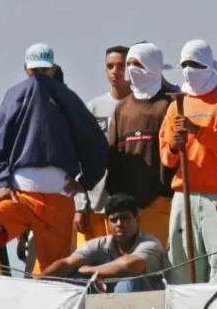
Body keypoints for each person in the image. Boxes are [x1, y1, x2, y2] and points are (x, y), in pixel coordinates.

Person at [0, 43, 108, 275]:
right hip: (18, 194)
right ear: (26, 68)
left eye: (43, 70)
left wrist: (85, 181)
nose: (39, 77)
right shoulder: (17, 95)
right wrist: (2, 181)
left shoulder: (65, 97)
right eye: (36, 71)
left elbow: (96, 143)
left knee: (52, 271)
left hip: (58, 197)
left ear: (53, 69)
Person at [159, 40, 217, 284]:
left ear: (209, 66)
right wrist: (175, 146)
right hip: (184, 194)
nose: (190, 70)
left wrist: (198, 131)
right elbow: (166, 156)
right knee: (182, 260)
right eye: (185, 64)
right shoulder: (176, 105)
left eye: (196, 64)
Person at [106, 42, 177, 246]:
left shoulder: (169, 104)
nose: (132, 69)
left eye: (138, 64)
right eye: (129, 64)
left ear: (152, 66)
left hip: (162, 202)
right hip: (128, 208)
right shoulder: (122, 108)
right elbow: (115, 156)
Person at [40, 193, 169, 292]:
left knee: (129, 282)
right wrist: (36, 282)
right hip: (111, 303)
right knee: (77, 279)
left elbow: (131, 265)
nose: (119, 224)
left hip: (150, 308)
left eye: (125, 218)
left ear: (137, 219)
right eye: (114, 220)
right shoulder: (100, 244)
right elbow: (67, 263)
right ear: (108, 223)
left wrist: (91, 270)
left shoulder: (150, 243)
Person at [77, 46, 132, 248]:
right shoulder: (93, 108)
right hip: (95, 206)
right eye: (110, 66)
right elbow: (80, 157)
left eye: (121, 66)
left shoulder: (141, 106)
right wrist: (79, 205)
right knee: (92, 260)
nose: (115, 72)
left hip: (129, 206)